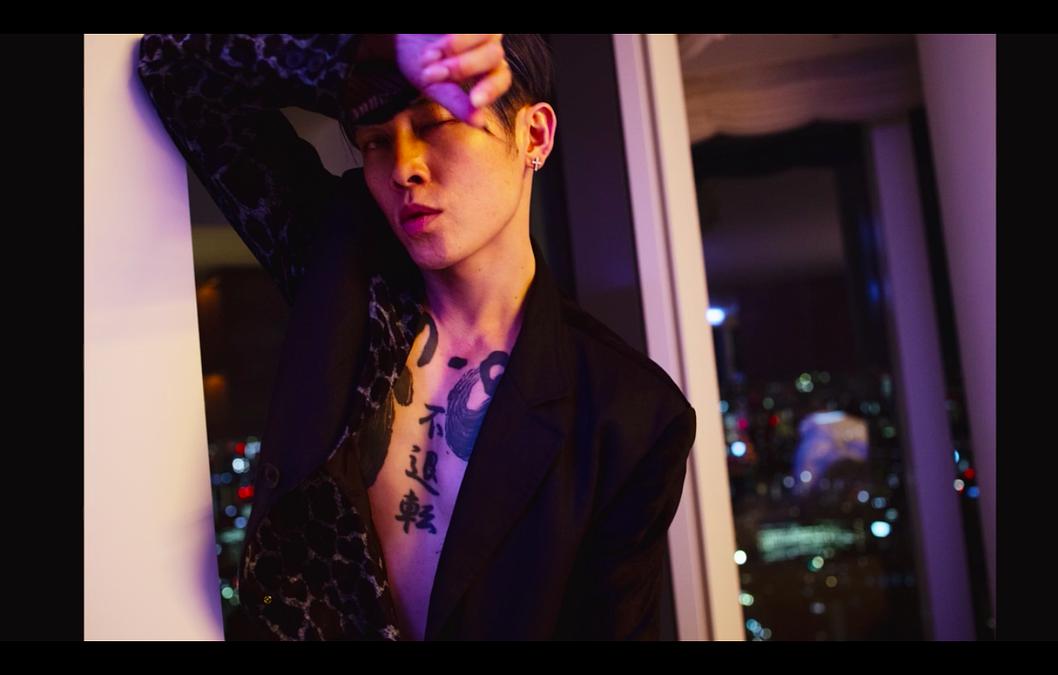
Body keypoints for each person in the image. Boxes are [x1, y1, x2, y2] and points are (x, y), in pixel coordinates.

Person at [137, 33, 697, 641]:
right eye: (375, 142)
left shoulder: (629, 413)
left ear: (533, 136)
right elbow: (174, 65)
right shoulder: (343, 276)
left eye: (434, 125)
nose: (403, 168)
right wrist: (363, 50)